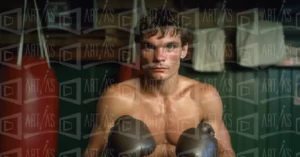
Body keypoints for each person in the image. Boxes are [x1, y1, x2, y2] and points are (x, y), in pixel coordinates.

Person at [84, 8, 236, 157]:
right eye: (150, 46)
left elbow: (226, 152)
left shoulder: (204, 97)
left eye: (170, 46)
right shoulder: (117, 98)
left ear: (184, 50)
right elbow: (92, 152)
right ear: (140, 50)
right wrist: (115, 149)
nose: (159, 57)